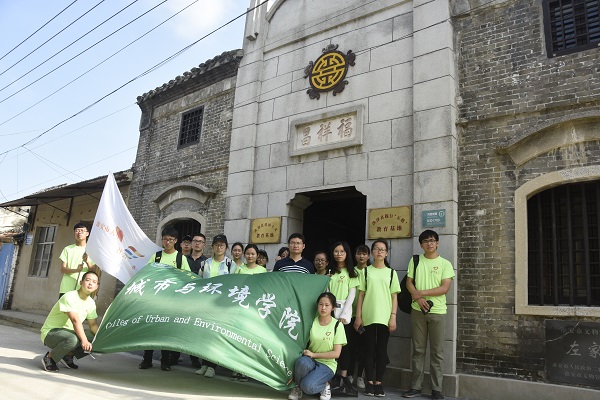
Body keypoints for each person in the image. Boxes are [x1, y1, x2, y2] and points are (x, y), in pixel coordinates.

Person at [403, 230, 455, 400]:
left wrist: (420, 293)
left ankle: (436, 389)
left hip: (438, 312)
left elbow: (444, 288)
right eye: (425, 241)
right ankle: (415, 386)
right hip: (418, 310)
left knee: (437, 351)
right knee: (418, 350)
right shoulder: (416, 260)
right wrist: (418, 299)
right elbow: (409, 282)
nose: (429, 243)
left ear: (437, 243)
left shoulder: (445, 264)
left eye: (432, 240)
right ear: (421, 245)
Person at [139, 226, 190, 371]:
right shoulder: (156, 257)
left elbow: (187, 279)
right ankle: (146, 359)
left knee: (165, 331)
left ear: (176, 241)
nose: (167, 242)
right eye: (165, 239)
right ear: (162, 240)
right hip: (155, 299)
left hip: (171, 301)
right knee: (150, 329)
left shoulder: (181, 258)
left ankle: (165, 362)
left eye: (171, 239)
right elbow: (147, 274)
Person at [353, 239, 400, 397]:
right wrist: (358, 317)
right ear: (372, 252)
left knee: (381, 350)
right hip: (368, 316)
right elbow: (361, 295)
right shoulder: (366, 272)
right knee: (368, 350)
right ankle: (369, 382)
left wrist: (393, 317)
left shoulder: (391, 273)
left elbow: (394, 297)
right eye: (376, 249)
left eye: (382, 249)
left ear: (386, 253)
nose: (379, 251)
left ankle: (379, 382)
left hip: (385, 317)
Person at [288, 292, 346, 400]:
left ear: (333, 307)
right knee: (301, 362)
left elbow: (336, 353)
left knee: (308, 387)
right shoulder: (312, 322)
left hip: (327, 365)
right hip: (310, 361)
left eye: (327, 305)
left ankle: (326, 385)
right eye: (320, 304)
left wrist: (313, 354)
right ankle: (297, 388)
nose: (323, 308)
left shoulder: (338, 325)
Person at [40, 271, 100, 372]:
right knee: (74, 339)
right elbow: (75, 320)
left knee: (95, 339)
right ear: (81, 282)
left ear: (96, 286)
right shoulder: (70, 296)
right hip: (51, 333)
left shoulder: (91, 303)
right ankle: (50, 358)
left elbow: (93, 325)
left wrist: (103, 338)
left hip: (71, 334)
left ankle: (67, 356)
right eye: (88, 280)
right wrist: (84, 341)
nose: (90, 283)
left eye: (94, 282)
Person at [196, 234, 235, 378]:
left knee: (215, 335)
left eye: (222, 245)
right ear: (212, 246)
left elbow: (233, 285)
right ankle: (204, 364)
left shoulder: (231, 264)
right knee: (205, 334)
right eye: (216, 245)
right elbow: (199, 282)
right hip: (206, 303)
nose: (219, 247)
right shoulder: (205, 264)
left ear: (226, 247)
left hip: (221, 305)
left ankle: (212, 366)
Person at [328, 241, 359, 394]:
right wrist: (329, 310)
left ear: (347, 253)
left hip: (344, 314)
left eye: (342, 251)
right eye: (336, 251)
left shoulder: (352, 272)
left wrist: (345, 314)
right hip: (330, 311)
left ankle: (343, 376)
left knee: (344, 346)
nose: (339, 254)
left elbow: (352, 295)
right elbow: (326, 289)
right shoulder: (330, 271)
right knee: (329, 344)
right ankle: (330, 375)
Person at [348, 244, 371, 389]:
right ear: (355, 255)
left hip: (367, 316)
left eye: (364, 254)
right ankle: (349, 374)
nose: (361, 256)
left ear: (369, 256)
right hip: (350, 315)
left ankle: (360, 377)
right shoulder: (351, 271)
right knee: (351, 346)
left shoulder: (371, 271)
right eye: (359, 253)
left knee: (364, 347)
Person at [58, 222, 98, 297]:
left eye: (82, 231)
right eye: (77, 231)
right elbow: (63, 269)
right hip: (66, 287)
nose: (79, 233)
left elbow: (93, 271)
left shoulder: (91, 250)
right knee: (64, 308)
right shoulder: (67, 249)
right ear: (74, 234)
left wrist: (87, 261)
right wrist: (76, 270)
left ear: (87, 234)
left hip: (83, 288)